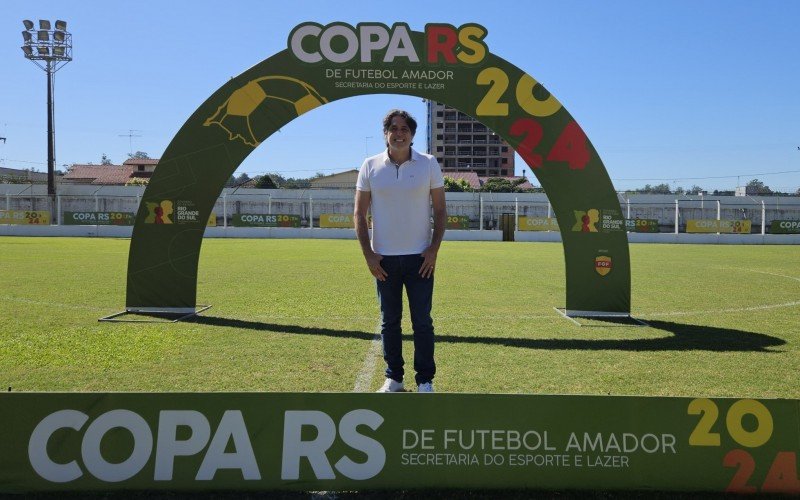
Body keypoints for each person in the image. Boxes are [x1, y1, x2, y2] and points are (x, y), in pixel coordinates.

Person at [354, 109, 446, 393]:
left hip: (420, 259)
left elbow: (441, 211)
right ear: (385, 133)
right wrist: (369, 255)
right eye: (393, 128)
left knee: (422, 322)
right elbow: (359, 214)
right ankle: (394, 377)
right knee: (389, 322)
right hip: (384, 260)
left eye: (405, 128)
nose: (399, 132)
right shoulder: (370, 166)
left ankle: (425, 380)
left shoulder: (429, 164)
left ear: (412, 134)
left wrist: (433, 250)